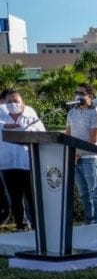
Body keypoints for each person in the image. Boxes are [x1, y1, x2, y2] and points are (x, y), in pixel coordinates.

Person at [0, 89, 46, 230]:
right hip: (7, 164)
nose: (12, 104)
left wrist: (30, 136)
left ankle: (38, 227)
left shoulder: (30, 113)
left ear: (22, 102)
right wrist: (5, 125)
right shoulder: (1, 113)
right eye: (9, 102)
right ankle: (21, 225)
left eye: (16, 101)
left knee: (31, 197)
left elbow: (42, 134)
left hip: (27, 162)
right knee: (15, 198)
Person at [66, 83, 97, 224]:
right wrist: (72, 154)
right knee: (84, 193)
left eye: (82, 93)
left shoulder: (95, 113)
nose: (78, 96)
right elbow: (68, 136)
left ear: (90, 96)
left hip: (89, 157)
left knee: (94, 192)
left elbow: (93, 139)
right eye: (76, 92)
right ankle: (88, 220)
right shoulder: (72, 112)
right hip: (75, 158)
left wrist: (78, 153)